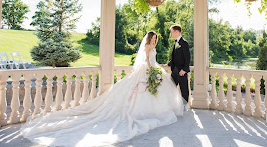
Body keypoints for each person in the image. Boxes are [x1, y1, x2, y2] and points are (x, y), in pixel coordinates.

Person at [20, 31, 184, 147]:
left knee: (155, 93)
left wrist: (158, 67)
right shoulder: (147, 47)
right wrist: (151, 70)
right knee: (140, 94)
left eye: (156, 38)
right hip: (147, 70)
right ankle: (140, 113)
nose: (155, 40)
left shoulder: (153, 47)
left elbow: (153, 61)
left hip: (154, 69)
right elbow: (147, 61)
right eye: (154, 38)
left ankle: (154, 111)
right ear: (149, 38)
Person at [162, 24, 191, 103]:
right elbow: (175, 57)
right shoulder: (176, 42)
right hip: (174, 70)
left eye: (172, 32)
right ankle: (173, 105)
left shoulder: (184, 43)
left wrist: (184, 70)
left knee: (184, 89)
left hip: (181, 71)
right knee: (171, 87)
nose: (171, 34)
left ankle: (185, 106)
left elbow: (187, 58)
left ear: (177, 32)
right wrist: (168, 64)